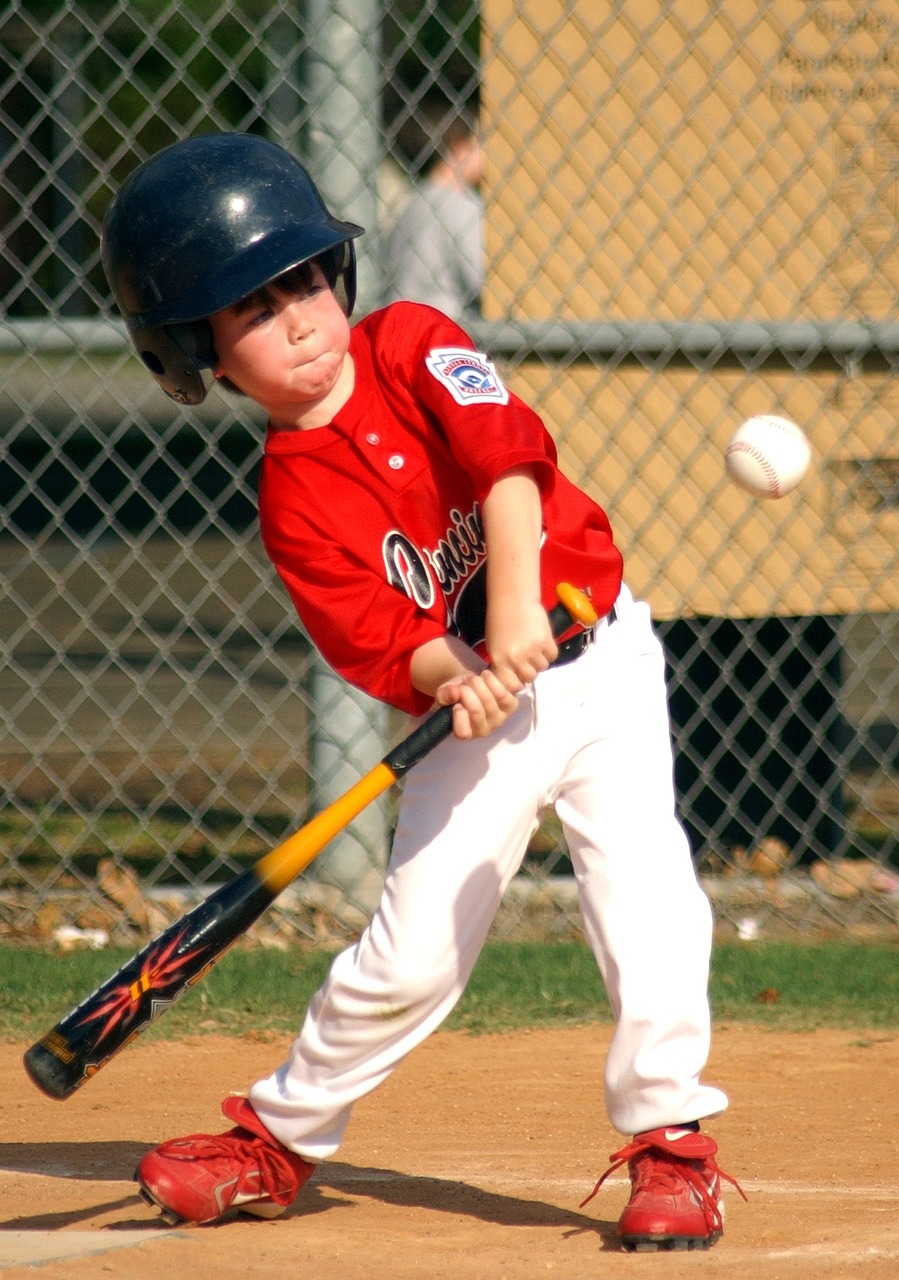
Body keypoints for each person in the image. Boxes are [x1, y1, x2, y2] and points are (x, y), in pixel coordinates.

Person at [100, 132, 741, 1251]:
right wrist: (460, 674)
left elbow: (507, 463)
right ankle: (279, 1137)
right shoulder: (293, 497)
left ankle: (671, 1142)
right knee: (410, 949)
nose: (296, 317)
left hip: (598, 655)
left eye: (300, 279)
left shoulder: (410, 340)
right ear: (194, 352)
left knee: (643, 893)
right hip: (476, 713)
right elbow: (382, 640)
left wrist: (511, 614)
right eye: (251, 309)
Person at [385, 98, 483, 318]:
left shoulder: (414, 201)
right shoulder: (459, 205)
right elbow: (485, 280)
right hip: (445, 331)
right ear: (459, 144)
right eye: (480, 140)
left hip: (401, 325)